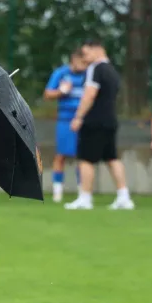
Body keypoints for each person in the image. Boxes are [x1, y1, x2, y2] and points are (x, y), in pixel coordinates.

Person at [66, 39, 135, 210]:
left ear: (97, 50)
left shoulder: (95, 69)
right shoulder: (112, 71)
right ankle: (123, 196)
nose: (85, 57)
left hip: (94, 120)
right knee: (112, 158)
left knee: (85, 159)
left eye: (86, 53)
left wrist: (78, 117)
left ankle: (85, 198)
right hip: (110, 119)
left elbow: (89, 94)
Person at [44, 49, 87, 202]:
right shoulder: (61, 73)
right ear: (73, 60)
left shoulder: (89, 75)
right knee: (61, 155)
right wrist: (61, 91)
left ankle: (83, 191)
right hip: (65, 119)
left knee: (82, 156)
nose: (83, 65)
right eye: (80, 62)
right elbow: (48, 94)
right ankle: (57, 191)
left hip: (84, 119)